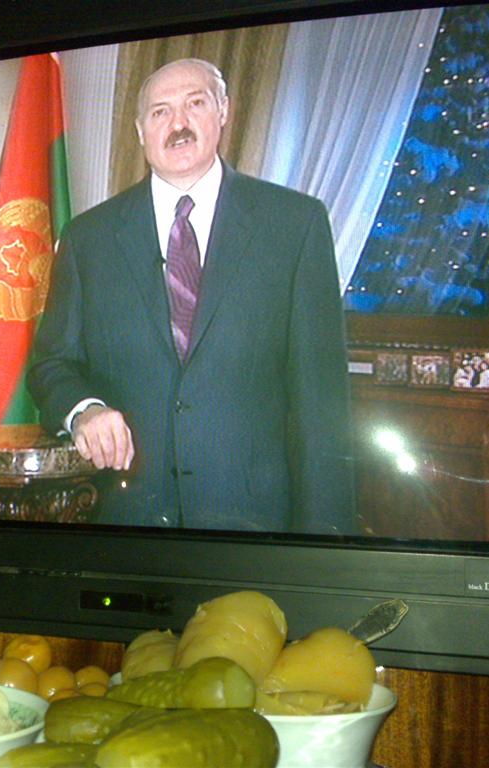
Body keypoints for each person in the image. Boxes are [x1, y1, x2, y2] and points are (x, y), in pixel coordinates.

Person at [27, 58, 354, 533]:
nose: (177, 123)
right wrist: (84, 409)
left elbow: (322, 404)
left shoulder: (294, 224)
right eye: (160, 112)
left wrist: (325, 546)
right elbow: (52, 365)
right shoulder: (87, 238)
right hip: (124, 522)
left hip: (253, 528)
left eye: (195, 103)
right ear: (140, 131)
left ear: (224, 111)